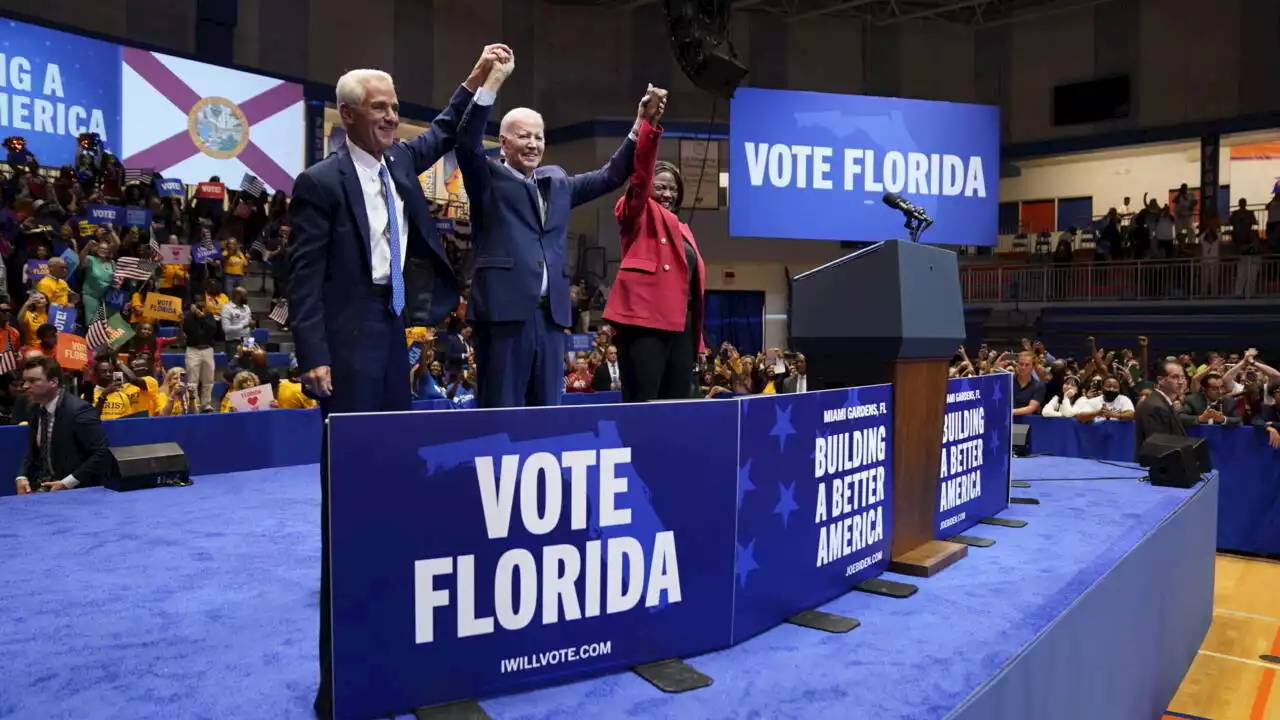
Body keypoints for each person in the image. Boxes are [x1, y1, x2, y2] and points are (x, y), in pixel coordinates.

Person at [287, 45, 509, 720]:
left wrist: (474, 78)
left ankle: (397, 630)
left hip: (391, 342)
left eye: (393, 105)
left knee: (392, 485)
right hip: (346, 347)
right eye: (380, 107)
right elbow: (303, 275)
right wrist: (312, 353)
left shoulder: (402, 162)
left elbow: (442, 128)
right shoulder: (320, 182)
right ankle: (344, 684)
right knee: (349, 494)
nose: (391, 116)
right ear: (349, 114)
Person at [453, 53, 646, 408]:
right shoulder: (487, 179)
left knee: (547, 412)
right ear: (504, 142)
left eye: (539, 137)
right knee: (502, 410)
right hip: (503, 316)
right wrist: (492, 81)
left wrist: (639, 126)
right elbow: (465, 143)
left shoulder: (557, 182)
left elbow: (611, 175)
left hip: (551, 318)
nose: (533, 144)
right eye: (523, 136)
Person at [602, 86, 707, 402]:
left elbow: (692, 294)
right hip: (644, 326)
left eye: (674, 189)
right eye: (661, 187)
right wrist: (648, 126)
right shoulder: (637, 212)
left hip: (681, 330)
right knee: (645, 406)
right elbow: (640, 175)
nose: (668, 194)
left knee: (679, 406)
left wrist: (697, 344)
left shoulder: (684, 230)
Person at [14, 356, 115, 494]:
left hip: (78, 492)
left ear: (53, 382)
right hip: (44, 488)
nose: (25, 386)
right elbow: (34, 452)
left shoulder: (79, 411)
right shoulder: (35, 408)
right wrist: (22, 476)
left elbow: (101, 453)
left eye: (33, 381)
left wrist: (67, 483)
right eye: (25, 381)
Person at [1134, 360, 1188, 454]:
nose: (1181, 381)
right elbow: (1159, 448)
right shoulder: (1156, 406)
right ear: (1160, 380)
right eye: (1175, 377)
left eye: (1183, 377)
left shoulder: (1162, 401)